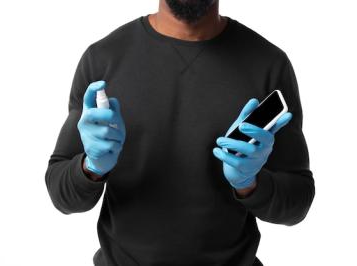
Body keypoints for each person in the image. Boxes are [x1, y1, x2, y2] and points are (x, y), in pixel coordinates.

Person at [45, 0, 315, 265]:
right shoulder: (103, 59)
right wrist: (91, 168)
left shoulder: (268, 63)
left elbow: (297, 204)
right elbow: (62, 195)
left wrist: (250, 184)